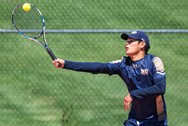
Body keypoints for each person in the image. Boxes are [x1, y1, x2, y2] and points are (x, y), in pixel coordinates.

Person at [52, 31, 168, 126]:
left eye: (131, 41)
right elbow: (97, 67)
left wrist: (133, 94)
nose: (126, 44)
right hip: (135, 119)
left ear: (142, 44)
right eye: (126, 42)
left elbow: (160, 88)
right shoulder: (123, 64)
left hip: (155, 120)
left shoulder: (154, 62)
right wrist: (66, 64)